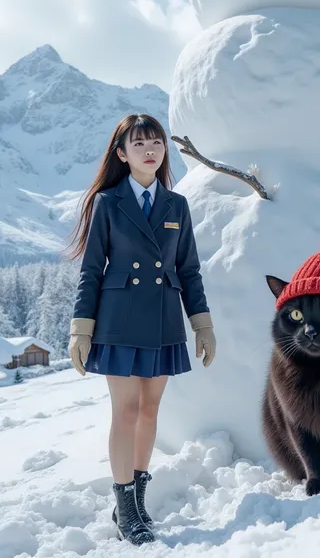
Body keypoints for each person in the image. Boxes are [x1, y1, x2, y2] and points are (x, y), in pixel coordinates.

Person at [66, 114, 216, 546]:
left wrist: (201, 325)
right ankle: (127, 509)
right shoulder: (108, 204)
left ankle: (136, 502)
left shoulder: (177, 205)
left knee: (150, 412)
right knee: (126, 411)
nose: (150, 150)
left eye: (156, 142)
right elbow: (92, 270)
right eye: (139, 144)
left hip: (164, 318)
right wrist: (81, 329)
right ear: (121, 154)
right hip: (119, 319)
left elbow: (188, 270)